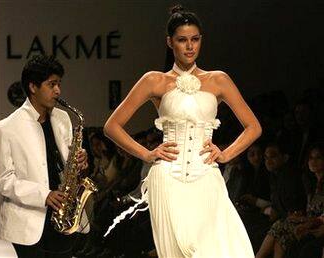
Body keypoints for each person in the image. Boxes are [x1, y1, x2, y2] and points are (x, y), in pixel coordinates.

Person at [103, 5, 261, 258]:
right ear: (170, 42)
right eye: (182, 40)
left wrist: (226, 154)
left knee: (224, 249)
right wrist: (146, 154)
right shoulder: (154, 81)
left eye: (195, 39)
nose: (190, 46)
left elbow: (253, 127)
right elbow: (111, 126)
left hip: (206, 175)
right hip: (168, 178)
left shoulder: (218, 80)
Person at [0, 55, 88, 258]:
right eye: (52, 84)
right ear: (33, 87)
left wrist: (80, 161)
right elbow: (3, 180)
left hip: (64, 213)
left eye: (59, 84)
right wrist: (44, 195)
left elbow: (66, 162)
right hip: (28, 220)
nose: (58, 90)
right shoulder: (4, 129)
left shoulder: (63, 118)